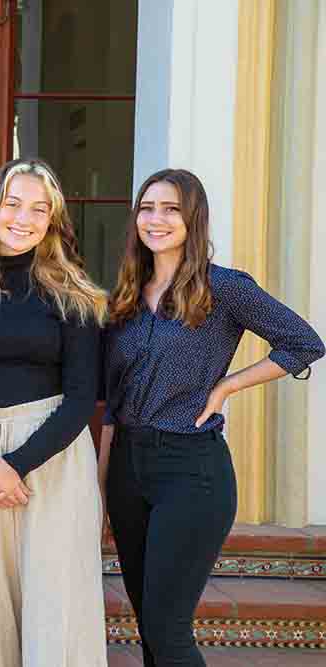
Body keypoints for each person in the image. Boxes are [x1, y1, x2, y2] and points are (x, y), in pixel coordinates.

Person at [100, 169, 324, 667]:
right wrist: (101, 484)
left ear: (194, 219)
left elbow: (305, 342)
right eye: (147, 208)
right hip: (127, 470)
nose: (155, 219)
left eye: (171, 209)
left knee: (168, 628)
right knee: (149, 628)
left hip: (191, 470)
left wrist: (227, 385)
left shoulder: (224, 287)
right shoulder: (125, 296)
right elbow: (111, 404)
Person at [0, 158, 109, 666]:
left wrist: (18, 465)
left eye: (39, 209)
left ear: (52, 221)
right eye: (12, 204)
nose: (22, 218)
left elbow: (81, 399)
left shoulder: (75, 295)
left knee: (53, 590)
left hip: (50, 452)